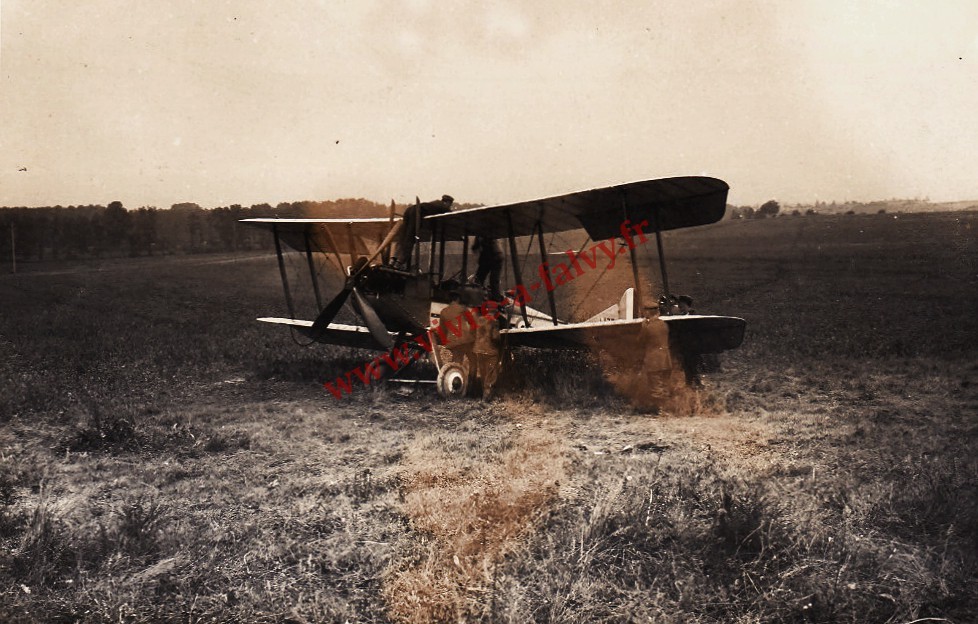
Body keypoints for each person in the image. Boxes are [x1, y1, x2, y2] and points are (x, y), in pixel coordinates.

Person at [392, 194, 454, 269]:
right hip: (416, 212)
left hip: (409, 210)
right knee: (410, 237)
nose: (449, 206)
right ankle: (400, 262)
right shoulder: (443, 206)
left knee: (403, 236)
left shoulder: (434, 203)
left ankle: (393, 259)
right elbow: (451, 215)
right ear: (447, 202)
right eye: (450, 204)